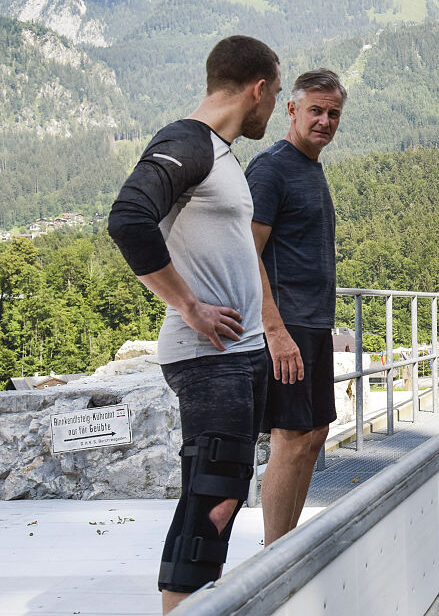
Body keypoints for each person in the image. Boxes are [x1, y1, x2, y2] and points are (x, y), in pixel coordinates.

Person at [107, 35, 298, 613]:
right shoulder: (186, 141)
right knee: (212, 496)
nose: (273, 106)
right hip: (205, 354)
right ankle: (181, 607)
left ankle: (194, 603)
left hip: (236, 355)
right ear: (259, 89)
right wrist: (189, 305)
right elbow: (127, 219)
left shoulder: (220, 153)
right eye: (277, 94)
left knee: (223, 491)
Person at [246, 69, 346, 545]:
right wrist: (274, 330)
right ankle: (272, 555)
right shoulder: (272, 168)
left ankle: (287, 545)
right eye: (316, 110)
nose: (324, 120)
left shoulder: (310, 166)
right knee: (289, 438)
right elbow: (247, 253)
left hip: (315, 323)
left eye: (333, 113)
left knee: (315, 433)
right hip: (287, 326)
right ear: (292, 110)